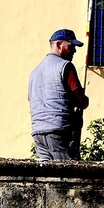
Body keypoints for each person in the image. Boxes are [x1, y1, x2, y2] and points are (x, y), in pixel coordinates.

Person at [28, 28, 89, 161]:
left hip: (38, 132)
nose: (74, 50)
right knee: (68, 175)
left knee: (48, 177)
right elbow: (79, 99)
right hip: (58, 130)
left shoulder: (34, 73)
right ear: (58, 44)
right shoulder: (65, 66)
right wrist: (84, 100)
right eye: (71, 46)